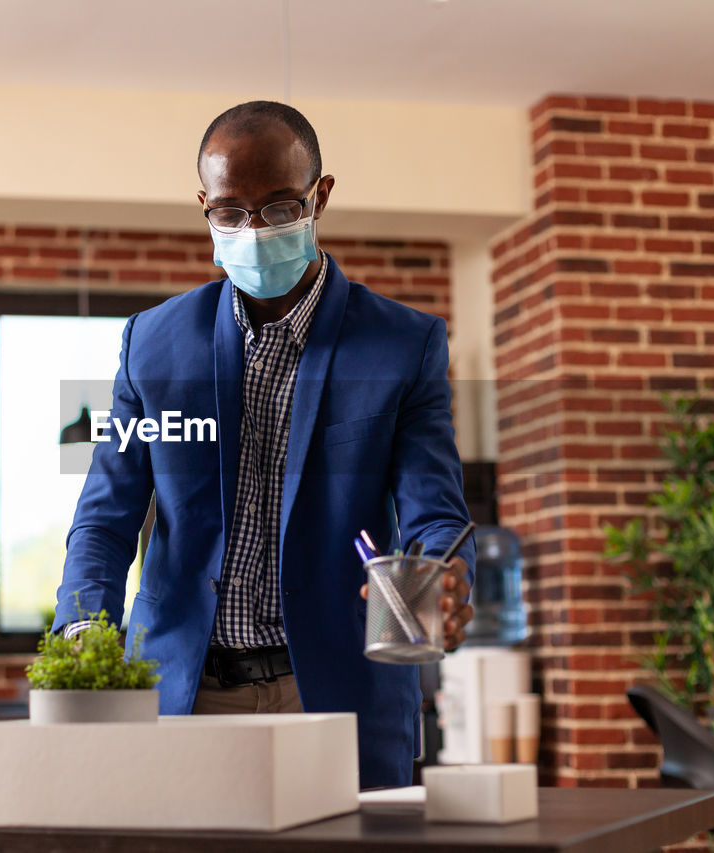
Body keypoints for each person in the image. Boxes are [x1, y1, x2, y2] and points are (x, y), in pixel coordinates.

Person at [54, 100, 475, 788]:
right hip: (181, 693)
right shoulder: (152, 343)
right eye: (229, 211)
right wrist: (83, 637)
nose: (253, 230)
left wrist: (441, 582)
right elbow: (104, 516)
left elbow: (433, 510)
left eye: (280, 208)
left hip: (335, 692)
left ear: (320, 196)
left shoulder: (403, 345)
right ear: (205, 207)